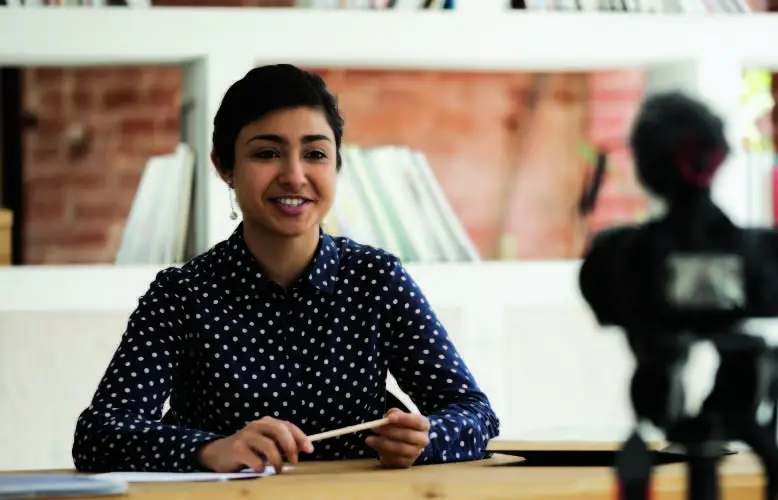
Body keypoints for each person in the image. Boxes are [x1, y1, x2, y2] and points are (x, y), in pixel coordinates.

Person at [72, 64, 500, 474]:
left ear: (336, 164)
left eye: (315, 153)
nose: (294, 176)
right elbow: (99, 435)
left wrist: (425, 439)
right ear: (225, 168)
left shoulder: (376, 279)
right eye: (266, 153)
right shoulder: (181, 294)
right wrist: (209, 449)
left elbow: (475, 414)